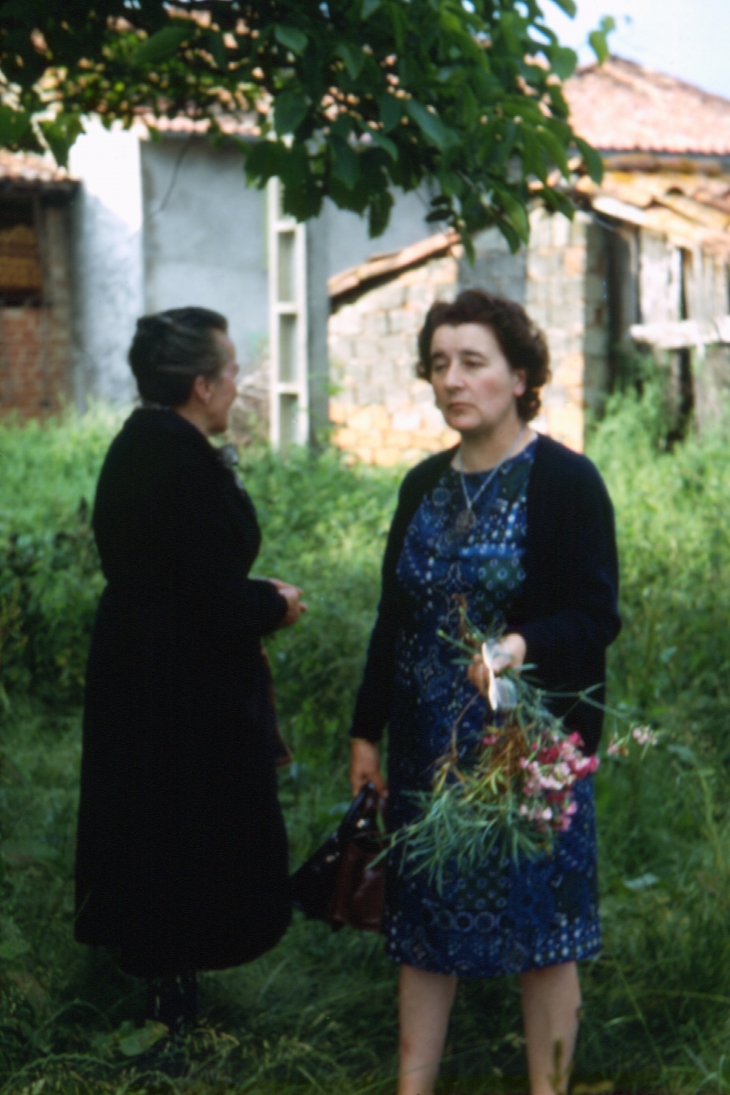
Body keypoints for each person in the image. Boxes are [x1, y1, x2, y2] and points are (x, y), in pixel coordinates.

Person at [349, 290, 620, 1095]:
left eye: (473, 362)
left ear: (520, 373)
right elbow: (392, 619)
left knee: (543, 930)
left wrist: (518, 645)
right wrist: (366, 733)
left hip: (527, 752)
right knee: (423, 925)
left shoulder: (566, 481)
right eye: (439, 364)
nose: (452, 380)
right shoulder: (421, 486)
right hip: (429, 751)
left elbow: (595, 614)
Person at [75, 307, 306, 1033]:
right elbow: (206, 596)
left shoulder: (144, 443)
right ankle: (169, 1017)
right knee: (181, 821)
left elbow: (175, 570)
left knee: (153, 816)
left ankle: (164, 996)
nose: (240, 383)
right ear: (203, 385)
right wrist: (272, 602)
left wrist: (242, 591)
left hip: (143, 662)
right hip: (177, 681)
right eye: (233, 370)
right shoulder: (177, 459)